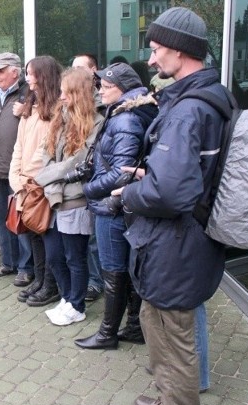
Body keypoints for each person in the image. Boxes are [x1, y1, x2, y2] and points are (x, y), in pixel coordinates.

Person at [117, 7, 228, 405]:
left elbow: (170, 194)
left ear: (180, 51)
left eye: (157, 48)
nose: (151, 59)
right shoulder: (211, 97)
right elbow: (190, 175)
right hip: (188, 239)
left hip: (175, 244)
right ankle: (170, 402)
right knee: (159, 327)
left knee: (173, 337)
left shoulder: (187, 110)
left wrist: (129, 192)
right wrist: (153, 172)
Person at [74, 63, 157, 349]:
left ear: (122, 89)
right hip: (123, 204)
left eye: (106, 87)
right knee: (127, 271)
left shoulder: (126, 119)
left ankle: (107, 334)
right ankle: (134, 327)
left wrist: (88, 190)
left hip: (112, 205)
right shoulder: (131, 113)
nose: (100, 91)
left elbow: (123, 170)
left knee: (114, 272)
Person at [34, 67, 104, 326]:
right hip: (53, 198)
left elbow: (79, 161)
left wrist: (44, 177)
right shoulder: (60, 117)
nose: (61, 96)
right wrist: (50, 180)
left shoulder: (96, 121)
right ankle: (66, 298)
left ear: (79, 93)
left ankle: (77, 305)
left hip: (76, 199)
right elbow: (47, 152)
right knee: (54, 256)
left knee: (75, 257)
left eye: (66, 92)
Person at [9, 56, 62, 306]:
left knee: (46, 236)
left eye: (31, 74)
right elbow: (19, 146)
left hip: (41, 185)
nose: (27, 78)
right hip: (25, 184)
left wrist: (30, 179)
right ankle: (39, 280)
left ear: (44, 76)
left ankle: (50, 286)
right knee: (32, 234)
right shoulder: (29, 106)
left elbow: (48, 152)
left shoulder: (57, 110)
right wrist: (16, 176)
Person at [0, 52, 34, 287]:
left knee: (21, 221)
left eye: (0, 71)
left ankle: (26, 267)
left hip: (19, 171)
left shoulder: (28, 95)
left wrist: (27, 111)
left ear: (15, 71)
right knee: (0, 218)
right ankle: (9, 262)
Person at [72, 53, 105, 301]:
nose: (77, 73)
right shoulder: (70, 106)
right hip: (76, 183)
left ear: (95, 70)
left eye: (81, 68)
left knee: (94, 237)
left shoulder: (101, 105)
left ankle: (96, 281)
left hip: (95, 181)